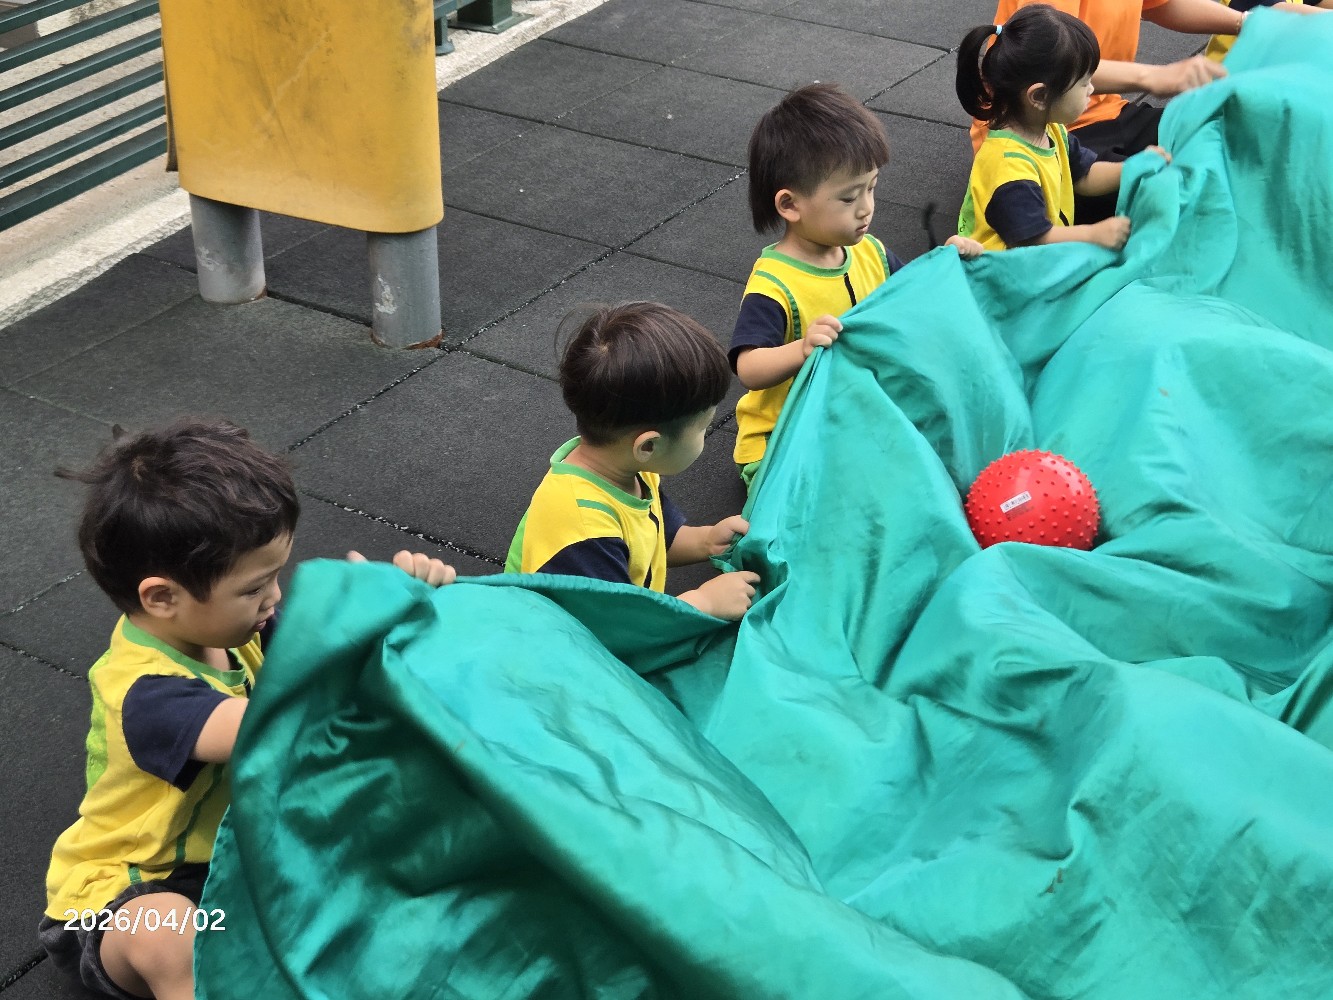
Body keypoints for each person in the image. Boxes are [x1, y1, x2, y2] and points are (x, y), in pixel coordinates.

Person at [38, 419, 454, 1000]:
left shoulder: (237, 628)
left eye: (275, 577)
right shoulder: (145, 693)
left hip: (233, 864)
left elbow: (318, 654)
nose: (275, 597)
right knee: (171, 936)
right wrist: (360, 623)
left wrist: (393, 603)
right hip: (124, 899)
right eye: (255, 587)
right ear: (163, 598)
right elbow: (268, 725)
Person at [731, 83, 984, 490]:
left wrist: (949, 263)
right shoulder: (776, 283)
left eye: (872, 187)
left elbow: (917, 294)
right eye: (849, 198)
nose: (866, 208)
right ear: (790, 205)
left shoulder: (871, 253)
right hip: (789, 436)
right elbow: (749, 368)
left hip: (854, 415)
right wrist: (801, 348)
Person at [506, 302, 760, 620]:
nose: (706, 436)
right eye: (703, 428)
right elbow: (617, 629)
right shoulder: (585, 530)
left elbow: (656, 538)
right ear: (648, 445)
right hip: (556, 641)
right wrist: (702, 602)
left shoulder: (629, 469)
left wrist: (706, 541)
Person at [970, 0, 1318, 221]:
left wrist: (1248, 22)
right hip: (1042, 128)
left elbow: (1162, 4)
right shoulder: (1043, 110)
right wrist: (1154, 76)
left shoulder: (1081, 100)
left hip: (1101, 113)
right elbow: (1048, 63)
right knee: (1185, 195)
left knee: (1231, 144)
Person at [957, 4, 1170, 251]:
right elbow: (1033, 239)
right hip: (1006, 269)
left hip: (1039, 261)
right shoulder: (1009, 167)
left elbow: (1085, 175)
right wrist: (1093, 234)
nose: (1092, 89)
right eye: (1084, 83)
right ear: (1039, 96)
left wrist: (1132, 168)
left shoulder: (1051, 131)